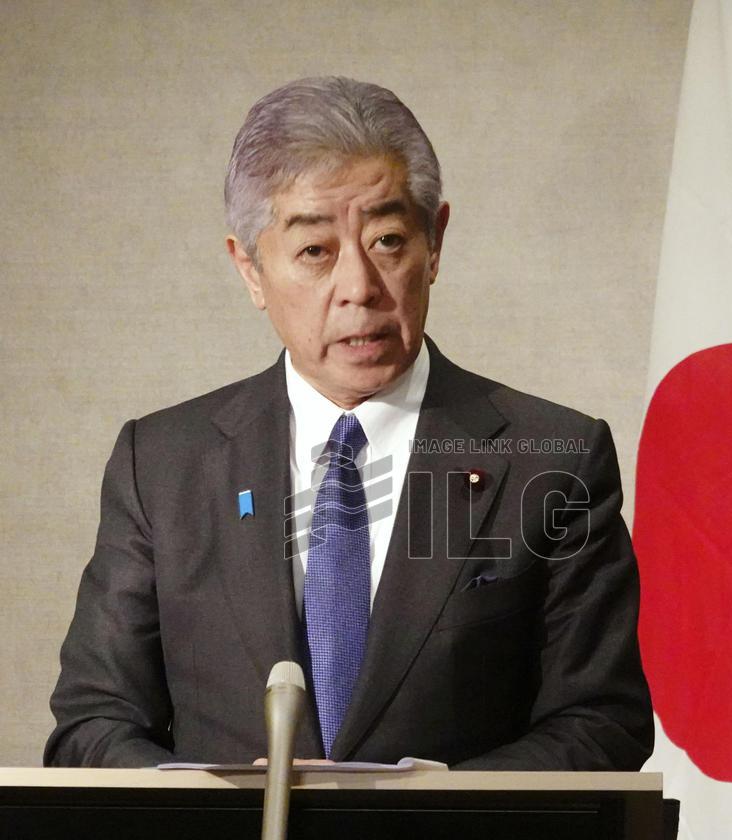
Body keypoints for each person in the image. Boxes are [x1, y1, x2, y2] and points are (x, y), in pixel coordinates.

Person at [44, 77, 653, 770]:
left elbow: (601, 722)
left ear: (435, 242)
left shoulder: (552, 459)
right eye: (314, 252)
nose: (358, 287)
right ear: (249, 268)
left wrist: (419, 821)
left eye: (388, 240)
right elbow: (93, 724)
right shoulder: (160, 464)